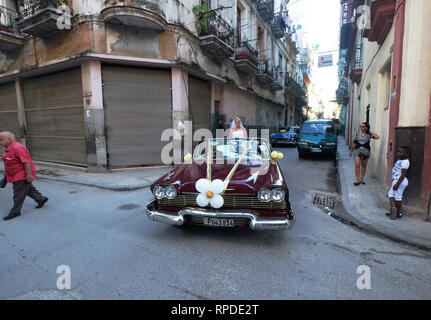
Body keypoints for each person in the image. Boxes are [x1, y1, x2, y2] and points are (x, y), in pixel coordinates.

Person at [0, 131, 48, 221]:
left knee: (18, 193)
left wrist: (29, 175)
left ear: (9, 139)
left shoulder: (18, 148)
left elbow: (26, 162)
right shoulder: (9, 148)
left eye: (1, 139)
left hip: (21, 174)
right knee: (28, 189)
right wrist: (5, 177)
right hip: (14, 174)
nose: (0, 142)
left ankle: (15, 212)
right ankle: (41, 199)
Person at [385, 146, 410, 220]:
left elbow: (403, 174)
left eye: (400, 152)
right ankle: (394, 209)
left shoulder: (405, 162)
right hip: (396, 180)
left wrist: (397, 184)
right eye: (398, 151)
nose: (398, 153)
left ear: (406, 154)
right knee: (391, 194)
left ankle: (397, 212)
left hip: (400, 181)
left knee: (397, 197)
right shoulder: (401, 160)